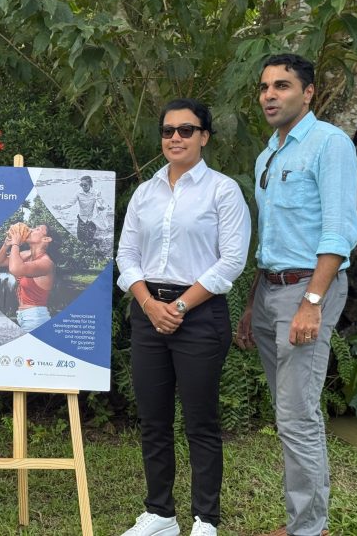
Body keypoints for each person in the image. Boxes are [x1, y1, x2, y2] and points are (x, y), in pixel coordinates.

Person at [235, 53, 357, 536]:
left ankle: (309, 529)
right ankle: (303, 524)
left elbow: (338, 230)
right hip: (270, 291)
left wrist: (312, 302)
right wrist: (252, 303)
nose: (270, 95)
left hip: (309, 291)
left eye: (282, 86)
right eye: (264, 87)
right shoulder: (270, 152)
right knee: (289, 411)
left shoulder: (329, 144)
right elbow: (270, 238)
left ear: (308, 93)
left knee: (296, 414)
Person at [116, 98, 251, 536]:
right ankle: (160, 514)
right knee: (154, 420)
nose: (175, 137)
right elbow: (127, 256)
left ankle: (205, 520)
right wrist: (150, 304)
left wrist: (177, 307)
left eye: (186, 130)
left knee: (200, 422)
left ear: (204, 136)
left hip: (198, 315)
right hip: (148, 314)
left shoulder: (223, 191)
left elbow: (231, 261)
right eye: (168, 130)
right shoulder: (145, 192)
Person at [0, 222, 56, 331]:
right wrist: (6, 244)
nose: (30, 229)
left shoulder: (46, 263)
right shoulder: (26, 254)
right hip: (24, 316)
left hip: (36, 318)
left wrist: (16, 244)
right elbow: (0, 262)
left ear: (46, 239)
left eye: (37, 229)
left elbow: (15, 269)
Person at [56, 175, 107, 243]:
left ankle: (96, 244)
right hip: (82, 218)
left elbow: (101, 204)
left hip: (92, 219)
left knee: (90, 239)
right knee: (80, 239)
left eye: (85, 185)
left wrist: (101, 207)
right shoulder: (78, 193)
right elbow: (70, 203)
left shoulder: (96, 192)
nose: (83, 187)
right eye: (81, 185)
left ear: (90, 184)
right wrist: (60, 207)